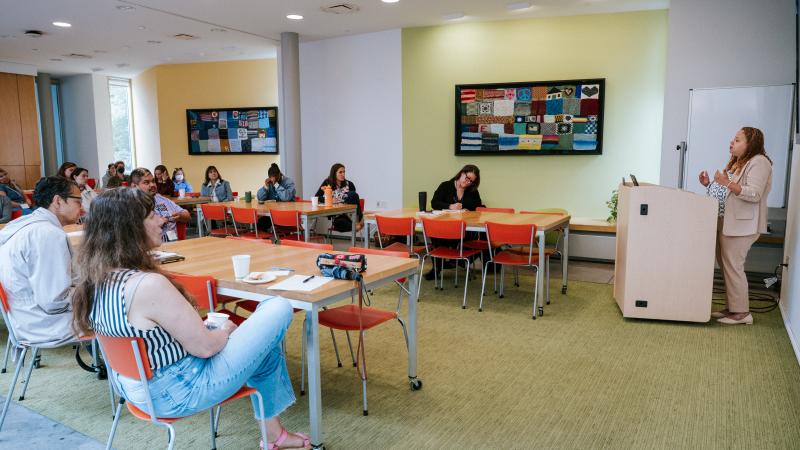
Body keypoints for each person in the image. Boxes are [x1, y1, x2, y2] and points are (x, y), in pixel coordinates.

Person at [71, 187, 310, 449]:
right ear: (130, 228)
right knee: (278, 305)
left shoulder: (97, 279)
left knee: (263, 343)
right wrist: (226, 330)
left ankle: (274, 436)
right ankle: (273, 436)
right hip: (179, 392)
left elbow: (151, 338)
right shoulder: (147, 285)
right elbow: (206, 347)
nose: (162, 219)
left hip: (134, 388)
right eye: (152, 215)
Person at [699, 127, 772, 325]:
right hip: (725, 222)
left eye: (738, 140)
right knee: (727, 267)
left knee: (734, 267)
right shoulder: (739, 163)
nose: (732, 142)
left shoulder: (759, 162)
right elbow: (727, 194)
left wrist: (726, 182)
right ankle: (733, 308)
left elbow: (754, 194)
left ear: (751, 144)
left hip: (742, 226)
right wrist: (709, 185)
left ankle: (742, 313)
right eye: (733, 139)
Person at [0, 176, 83, 346]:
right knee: (120, 306)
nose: (82, 209)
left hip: (23, 318)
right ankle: (126, 369)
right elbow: (55, 301)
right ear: (58, 201)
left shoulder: (26, 223)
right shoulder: (48, 234)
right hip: (46, 324)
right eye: (78, 201)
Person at [130, 167, 190, 242]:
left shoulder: (161, 199)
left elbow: (187, 215)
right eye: (146, 182)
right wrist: (158, 222)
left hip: (173, 244)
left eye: (153, 181)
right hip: (150, 248)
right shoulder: (131, 205)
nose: (152, 185)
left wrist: (180, 216)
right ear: (134, 186)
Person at [315, 163, 363, 232]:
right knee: (339, 223)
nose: (343, 174)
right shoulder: (327, 182)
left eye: (344, 172)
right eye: (340, 172)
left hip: (349, 214)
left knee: (353, 194)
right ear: (334, 173)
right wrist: (330, 200)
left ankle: (357, 222)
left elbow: (355, 203)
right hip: (337, 214)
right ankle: (357, 226)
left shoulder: (350, 184)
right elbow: (317, 197)